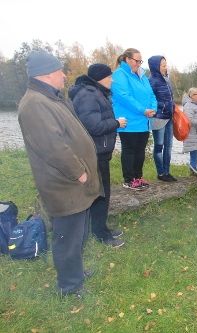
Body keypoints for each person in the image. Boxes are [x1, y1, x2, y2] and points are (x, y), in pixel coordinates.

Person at [18, 50, 101, 297]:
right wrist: (79, 172)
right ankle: (69, 285)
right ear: (46, 74)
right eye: (59, 71)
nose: (64, 76)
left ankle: (74, 272)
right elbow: (53, 146)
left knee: (78, 233)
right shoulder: (34, 104)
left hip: (72, 182)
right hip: (63, 183)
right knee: (67, 237)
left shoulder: (50, 98)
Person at [69, 64, 126, 248]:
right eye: (110, 76)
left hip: (99, 152)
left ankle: (100, 228)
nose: (113, 79)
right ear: (100, 77)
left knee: (101, 193)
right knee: (101, 194)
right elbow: (93, 126)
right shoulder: (88, 95)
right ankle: (101, 234)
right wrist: (117, 122)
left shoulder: (96, 92)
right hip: (94, 153)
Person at [111, 48, 157, 190]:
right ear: (127, 59)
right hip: (129, 121)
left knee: (140, 151)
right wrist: (143, 110)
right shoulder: (120, 74)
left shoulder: (142, 75)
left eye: (140, 61)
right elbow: (124, 97)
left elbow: (151, 94)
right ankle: (129, 179)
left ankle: (138, 177)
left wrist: (153, 108)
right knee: (130, 150)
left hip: (144, 121)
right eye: (137, 61)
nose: (139, 63)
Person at [148, 55, 177, 182]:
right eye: (163, 65)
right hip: (158, 118)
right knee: (159, 146)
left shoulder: (167, 80)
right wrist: (164, 106)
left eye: (166, 64)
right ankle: (161, 173)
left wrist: (173, 108)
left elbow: (170, 98)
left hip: (169, 117)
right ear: (155, 66)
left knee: (169, 146)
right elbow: (149, 100)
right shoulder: (151, 81)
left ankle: (167, 171)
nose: (166, 67)